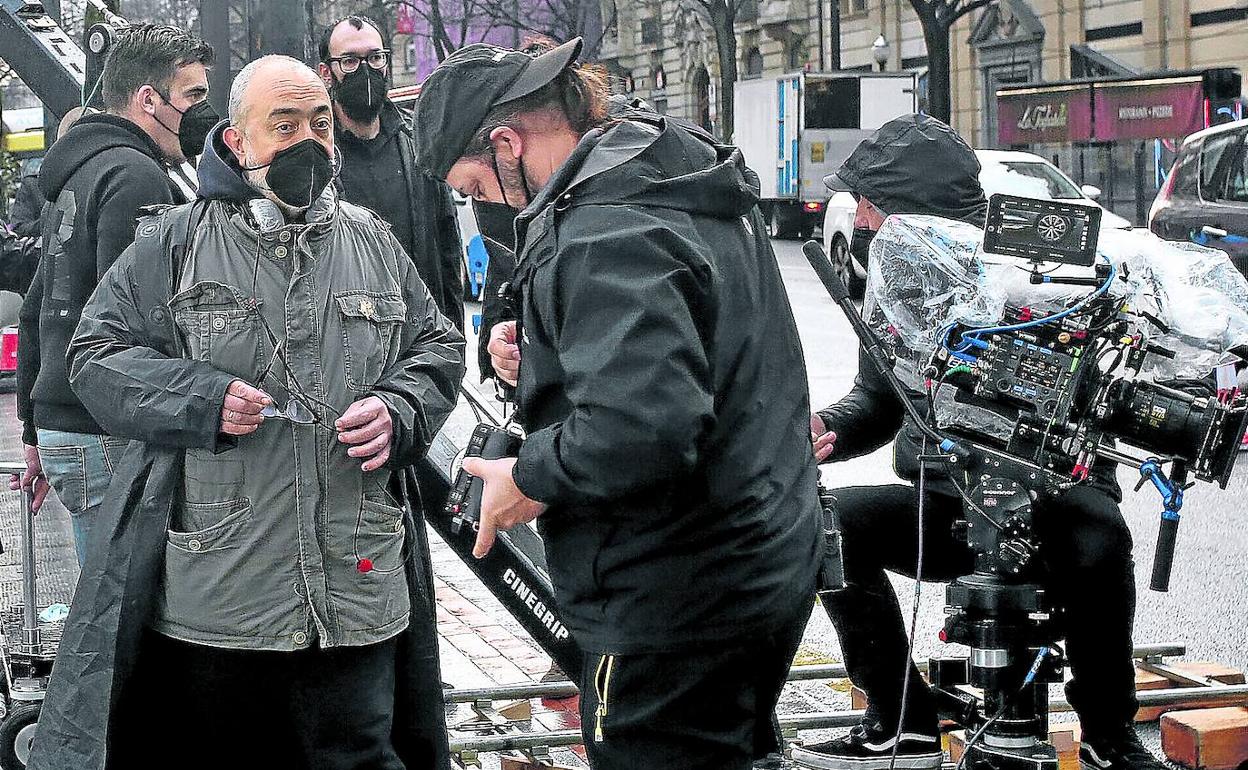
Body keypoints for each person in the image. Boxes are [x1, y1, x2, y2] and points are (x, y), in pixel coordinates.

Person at [29, 55, 465, 770]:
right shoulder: (172, 244)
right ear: (237, 142)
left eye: (320, 123)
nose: (309, 141)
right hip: (221, 605)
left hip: (357, 595)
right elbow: (93, 357)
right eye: (283, 124)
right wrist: (197, 398)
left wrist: (402, 406)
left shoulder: (373, 242)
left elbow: (438, 346)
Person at [414, 38, 821, 770]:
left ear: (509, 142)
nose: (485, 209)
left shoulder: (607, 229)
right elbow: (694, 342)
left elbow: (643, 426)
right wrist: (545, 342)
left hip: (675, 595)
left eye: (478, 189)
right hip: (758, 553)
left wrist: (527, 477)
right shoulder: (666, 173)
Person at [793, 114, 1161, 770]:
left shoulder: (1042, 270)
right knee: (828, 524)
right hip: (951, 503)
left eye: (873, 205)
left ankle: (1110, 736)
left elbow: (1106, 395)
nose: (865, 221)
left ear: (916, 210)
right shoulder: (899, 281)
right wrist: (827, 427)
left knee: (1102, 536)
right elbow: (878, 402)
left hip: (1058, 500)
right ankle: (902, 721)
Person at [12, 24, 216, 566]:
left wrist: (37, 429)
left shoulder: (80, 170)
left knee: (99, 602)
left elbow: (38, 307)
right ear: (149, 99)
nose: (203, 111)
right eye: (193, 95)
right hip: (105, 428)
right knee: (122, 617)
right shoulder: (138, 175)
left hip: (65, 422)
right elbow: (136, 328)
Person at [318, 14, 464, 329]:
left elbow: (447, 247)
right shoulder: (317, 157)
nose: (366, 70)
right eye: (350, 61)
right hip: (349, 342)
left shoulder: (418, 144)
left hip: (420, 336)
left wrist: (453, 341)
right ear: (326, 72)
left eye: (374, 57)